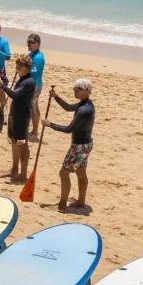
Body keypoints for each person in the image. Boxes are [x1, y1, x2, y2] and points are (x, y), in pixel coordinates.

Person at [45, 79, 96, 211]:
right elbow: (68, 107)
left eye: (78, 89)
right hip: (86, 144)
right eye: (74, 89)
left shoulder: (84, 110)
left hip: (79, 147)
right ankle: (81, 201)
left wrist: (50, 125)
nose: (75, 91)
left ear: (87, 91)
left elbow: (69, 129)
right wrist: (56, 97)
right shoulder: (85, 104)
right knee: (81, 172)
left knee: (64, 173)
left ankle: (62, 203)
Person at [0, 54, 37, 180]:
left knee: (22, 144)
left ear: (27, 67)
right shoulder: (21, 78)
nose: (17, 69)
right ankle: (14, 169)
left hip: (22, 117)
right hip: (14, 114)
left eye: (19, 67)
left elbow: (14, 94)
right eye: (17, 66)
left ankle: (23, 174)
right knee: (14, 142)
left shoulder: (29, 81)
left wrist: (2, 85)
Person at [26, 34, 46, 138]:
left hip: (35, 86)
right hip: (30, 84)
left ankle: (35, 130)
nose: (29, 44)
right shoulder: (31, 53)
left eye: (32, 42)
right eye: (28, 42)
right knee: (32, 106)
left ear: (38, 44)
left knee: (33, 106)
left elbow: (34, 71)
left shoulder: (38, 57)